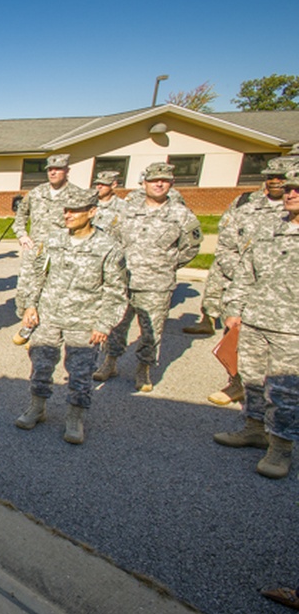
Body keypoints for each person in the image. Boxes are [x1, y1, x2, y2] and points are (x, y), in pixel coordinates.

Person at [14, 188, 128, 444]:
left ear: (91, 212)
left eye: (74, 211)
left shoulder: (108, 247)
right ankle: (37, 408)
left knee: (80, 372)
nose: (68, 215)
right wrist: (30, 306)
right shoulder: (53, 240)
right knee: (41, 365)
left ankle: (75, 417)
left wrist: (104, 323)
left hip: (85, 321)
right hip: (49, 315)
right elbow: (36, 275)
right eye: (66, 210)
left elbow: (116, 291)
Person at [213, 168, 299, 479]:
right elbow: (245, 274)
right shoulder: (269, 230)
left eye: (297, 189)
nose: (290, 193)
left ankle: (280, 447)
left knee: (286, 389)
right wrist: (234, 308)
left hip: (292, 328)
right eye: (289, 188)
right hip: (256, 320)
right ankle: (254, 429)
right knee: (251, 379)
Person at [192, 156, 295, 405]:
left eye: (286, 181)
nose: (278, 183)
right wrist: (236, 294)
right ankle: (247, 409)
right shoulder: (250, 208)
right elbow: (231, 250)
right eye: (272, 177)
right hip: (252, 304)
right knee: (248, 364)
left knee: (287, 385)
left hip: (291, 320)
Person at [94, 162, 201, 392]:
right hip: (124, 281)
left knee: (151, 331)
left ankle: (143, 369)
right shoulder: (126, 211)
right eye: (154, 180)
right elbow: (111, 240)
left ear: (171, 184)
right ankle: (109, 363)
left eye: (164, 180)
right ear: (145, 184)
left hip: (157, 285)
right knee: (115, 326)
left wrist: (167, 263)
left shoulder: (181, 215)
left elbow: (191, 247)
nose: (159, 184)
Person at [11, 154, 78, 344]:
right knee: (25, 290)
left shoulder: (76, 195)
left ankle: (41, 332)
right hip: (35, 252)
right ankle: (27, 323)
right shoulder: (36, 193)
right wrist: (22, 234)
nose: (53, 172)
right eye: (50, 169)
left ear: (67, 171)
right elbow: (20, 215)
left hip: (62, 253)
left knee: (53, 293)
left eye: (58, 169)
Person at [91, 170, 127, 238]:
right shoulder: (89, 203)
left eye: (104, 184)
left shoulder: (123, 206)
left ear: (113, 185)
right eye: (97, 184)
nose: (99, 187)